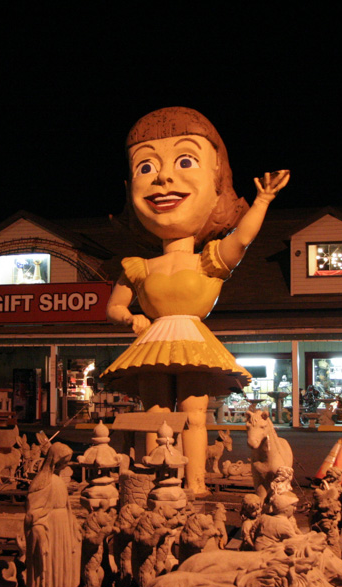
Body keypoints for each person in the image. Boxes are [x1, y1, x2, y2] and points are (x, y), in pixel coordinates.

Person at [100, 107, 289, 495]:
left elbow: (243, 238)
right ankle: (156, 478)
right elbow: (114, 307)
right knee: (155, 414)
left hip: (191, 338)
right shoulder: (139, 266)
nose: (164, 177)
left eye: (185, 161)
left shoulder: (209, 258)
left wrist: (263, 201)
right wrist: (130, 319)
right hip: (153, 342)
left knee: (194, 414)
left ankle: (195, 481)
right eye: (146, 168)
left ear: (219, 184)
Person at [25, 443, 82, 587]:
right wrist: (40, 534)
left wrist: (73, 525)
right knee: (49, 576)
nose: (65, 465)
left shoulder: (57, 479)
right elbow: (33, 513)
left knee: (62, 574)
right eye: (63, 461)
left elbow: (66, 507)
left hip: (62, 530)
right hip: (50, 532)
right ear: (55, 459)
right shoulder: (42, 481)